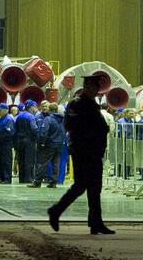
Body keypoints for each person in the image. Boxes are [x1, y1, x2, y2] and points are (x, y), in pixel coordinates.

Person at [47, 74, 114, 235]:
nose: (95, 90)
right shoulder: (77, 104)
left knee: (94, 188)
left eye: (96, 88)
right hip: (83, 151)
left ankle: (95, 222)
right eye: (92, 87)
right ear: (86, 87)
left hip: (93, 152)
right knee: (81, 185)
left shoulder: (91, 104)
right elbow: (72, 126)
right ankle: (56, 211)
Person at [31, 101, 63, 188]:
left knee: (43, 162)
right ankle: (53, 182)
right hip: (60, 144)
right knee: (56, 163)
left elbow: (43, 132)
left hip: (50, 144)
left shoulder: (48, 119)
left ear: (50, 109)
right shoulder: (62, 119)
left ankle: (37, 181)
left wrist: (42, 143)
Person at [14, 100, 38, 184]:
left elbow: (15, 129)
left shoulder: (19, 116)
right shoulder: (31, 117)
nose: (35, 108)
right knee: (29, 160)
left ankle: (22, 178)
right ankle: (28, 178)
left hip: (19, 141)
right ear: (31, 107)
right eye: (35, 106)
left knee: (21, 159)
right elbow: (34, 129)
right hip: (29, 141)